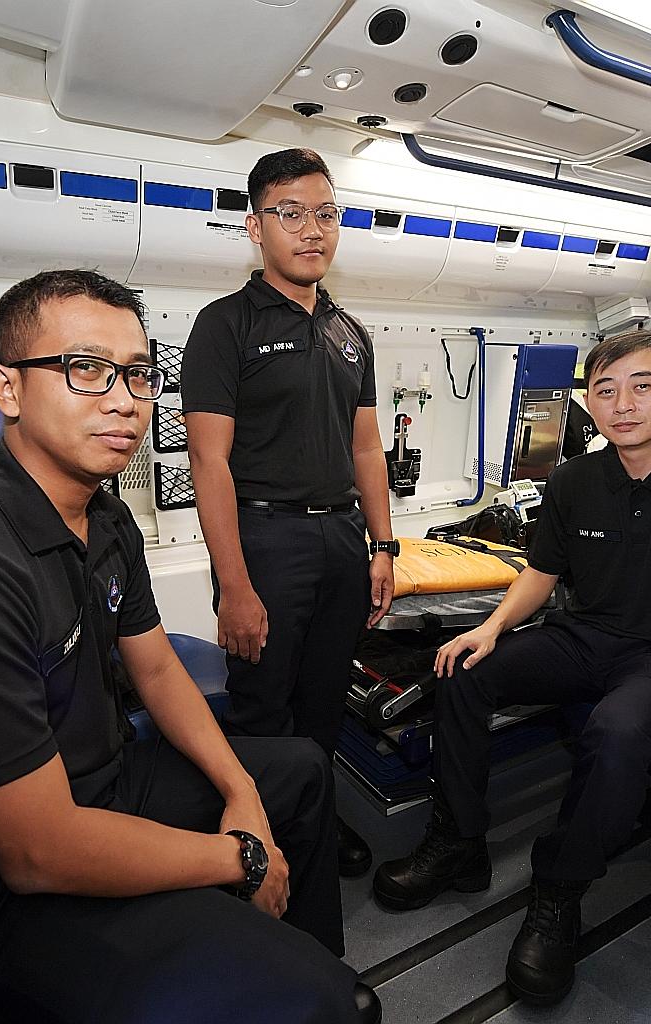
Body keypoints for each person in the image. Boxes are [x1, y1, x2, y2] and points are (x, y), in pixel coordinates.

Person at [0, 269, 379, 1024]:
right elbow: (38, 854)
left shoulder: (104, 521)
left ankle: (291, 954)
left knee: (298, 770)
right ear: (5, 390)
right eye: (84, 369)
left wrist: (241, 794)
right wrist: (240, 856)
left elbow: (159, 668)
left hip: (100, 781)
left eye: (138, 374)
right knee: (336, 1008)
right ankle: (299, 985)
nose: (123, 400)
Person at [371, 330, 651, 1006]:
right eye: (605, 390)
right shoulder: (572, 480)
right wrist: (488, 628)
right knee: (464, 672)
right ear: (588, 402)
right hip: (584, 636)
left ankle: (557, 896)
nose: (622, 403)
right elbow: (541, 575)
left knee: (618, 733)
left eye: (641, 385)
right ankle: (458, 844)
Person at [183, 148, 396, 878]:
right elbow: (208, 462)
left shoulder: (350, 334)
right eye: (291, 213)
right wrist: (234, 585)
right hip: (265, 538)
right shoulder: (225, 325)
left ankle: (312, 819)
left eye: (327, 213)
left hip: (341, 536)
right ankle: (255, 846)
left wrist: (384, 547)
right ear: (255, 226)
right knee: (261, 707)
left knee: (323, 703)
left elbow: (367, 451)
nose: (314, 230)